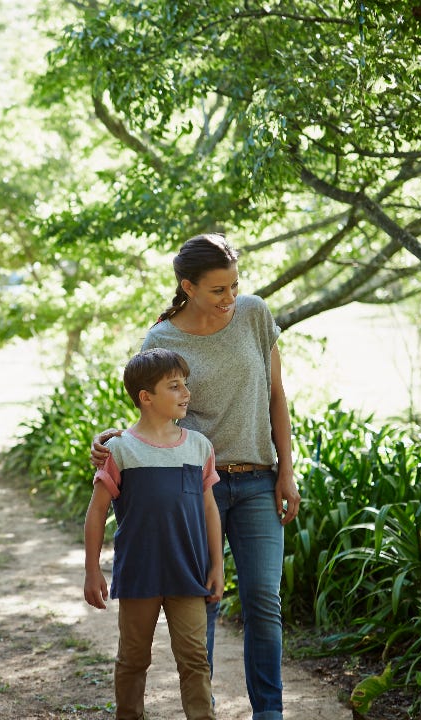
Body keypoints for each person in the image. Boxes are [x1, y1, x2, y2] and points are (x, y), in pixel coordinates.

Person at [91, 233, 301, 720]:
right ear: (187, 286)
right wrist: (115, 440)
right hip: (193, 486)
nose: (230, 299)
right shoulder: (162, 338)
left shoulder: (253, 315)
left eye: (234, 286)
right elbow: (157, 407)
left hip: (258, 480)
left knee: (263, 601)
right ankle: (200, 711)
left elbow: (276, 397)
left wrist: (286, 470)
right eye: (217, 290)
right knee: (201, 600)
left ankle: (268, 712)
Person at [84, 348, 224, 720]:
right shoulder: (120, 450)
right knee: (133, 658)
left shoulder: (199, 447)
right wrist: (92, 569)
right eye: (174, 386)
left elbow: (210, 510)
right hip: (139, 573)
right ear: (146, 397)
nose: (185, 393)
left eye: (185, 385)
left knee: (195, 658)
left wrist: (217, 565)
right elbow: (96, 512)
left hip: (189, 572)